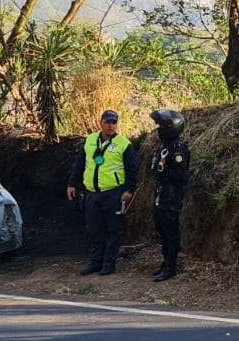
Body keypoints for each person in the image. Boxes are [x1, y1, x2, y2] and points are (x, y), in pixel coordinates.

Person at [66, 110, 140, 276]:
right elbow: (79, 164)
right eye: (107, 122)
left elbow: (133, 170)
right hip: (92, 193)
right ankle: (95, 262)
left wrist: (129, 190)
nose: (110, 126)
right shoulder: (90, 140)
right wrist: (72, 183)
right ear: (101, 122)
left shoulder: (124, 144)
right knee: (94, 229)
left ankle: (109, 263)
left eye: (113, 122)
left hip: (113, 193)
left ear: (117, 124)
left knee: (113, 229)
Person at [149, 109, 190, 282]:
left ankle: (170, 267)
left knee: (170, 231)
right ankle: (165, 262)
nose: (158, 130)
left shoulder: (178, 149)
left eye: (161, 127)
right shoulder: (165, 148)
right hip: (161, 194)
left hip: (171, 196)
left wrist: (163, 170)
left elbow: (181, 177)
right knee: (161, 229)